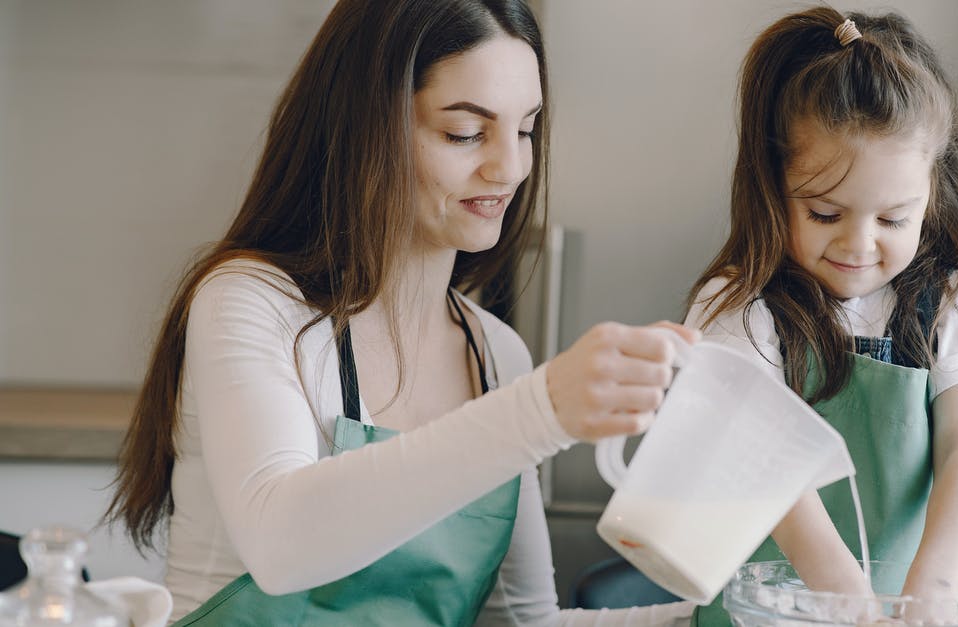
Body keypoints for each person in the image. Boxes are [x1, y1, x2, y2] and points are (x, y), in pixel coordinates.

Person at [102, 1, 698, 624]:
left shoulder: (494, 352)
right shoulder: (252, 301)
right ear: (365, 127)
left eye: (525, 129)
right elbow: (282, 543)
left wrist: (712, 616)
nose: (511, 167)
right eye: (465, 133)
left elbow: (522, 622)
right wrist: (542, 410)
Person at [682, 7, 958, 625]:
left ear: (932, 195)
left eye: (893, 219)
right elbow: (767, 468)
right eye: (824, 214)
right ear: (770, 183)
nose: (858, 244)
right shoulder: (736, 306)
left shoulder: (953, 303)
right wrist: (849, 602)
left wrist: (931, 595)